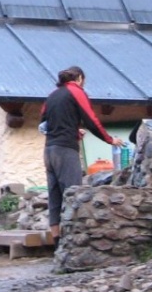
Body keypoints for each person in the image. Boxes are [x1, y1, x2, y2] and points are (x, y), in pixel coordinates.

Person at [39, 66, 126, 243]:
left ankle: (56, 242)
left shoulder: (52, 96)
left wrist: (74, 131)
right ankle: (74, 241)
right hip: (65, 150)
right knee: (74, 193)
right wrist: (110, 140)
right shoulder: (76, 91)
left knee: (55, 195)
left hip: (49, 150)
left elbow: (44, 123)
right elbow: (91, 119)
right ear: (79, 78)